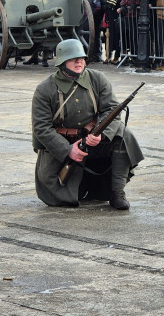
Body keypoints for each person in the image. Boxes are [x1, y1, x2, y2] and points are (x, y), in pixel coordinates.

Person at [32, 39, 143, 210]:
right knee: (62, 197)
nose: (79, 62)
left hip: (93, 140)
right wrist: (67, 150)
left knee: (123, 134)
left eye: (81, 58)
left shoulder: (97, 79)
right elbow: (41, 128)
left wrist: (99, 135)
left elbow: (112, 110)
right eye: (73, 58)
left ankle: (117, 193)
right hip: (60, 145)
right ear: (62, 62)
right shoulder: (45, 89)